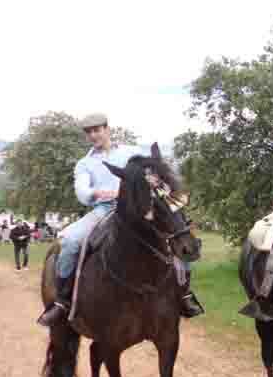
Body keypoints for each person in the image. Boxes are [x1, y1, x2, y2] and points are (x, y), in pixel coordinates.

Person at [37, 113, 204, 326]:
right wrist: (100, 193)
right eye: (89, 132)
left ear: (107, 129)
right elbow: (82, 190)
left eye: (97, 130)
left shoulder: (132, 152)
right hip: (103, 210)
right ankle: (62, 301)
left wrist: (156, 179)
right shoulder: (84, 164)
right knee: (69, 241)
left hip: (140, 210)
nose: (93, 135)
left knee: (178, 234)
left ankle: (184, 294)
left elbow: (153, 169)